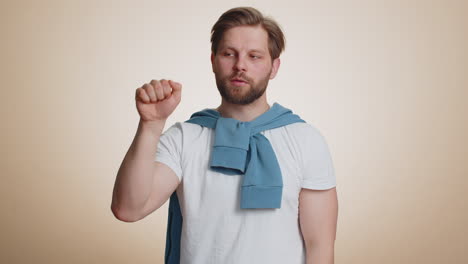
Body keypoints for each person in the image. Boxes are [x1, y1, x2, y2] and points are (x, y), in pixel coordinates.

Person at [111, 6, 338, 264]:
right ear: (213, 61)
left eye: (254, 56)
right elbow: (128, 209)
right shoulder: (185, 137)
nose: (240, 65)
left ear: (274, 67)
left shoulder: (306, 140)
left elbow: (319, 246)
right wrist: (151, 125)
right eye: (229, 54)